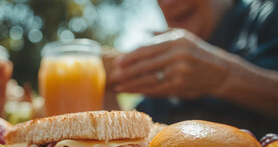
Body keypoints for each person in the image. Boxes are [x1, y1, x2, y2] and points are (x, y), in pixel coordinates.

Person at [109, 0, 278, 138]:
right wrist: (105, 88)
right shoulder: (161, 70)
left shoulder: (268, 15)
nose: (168, 3)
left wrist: (223, 77)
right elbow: (134, 146)